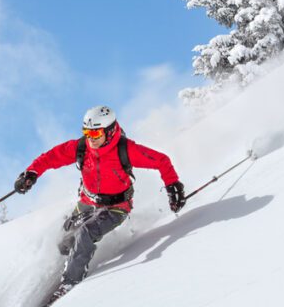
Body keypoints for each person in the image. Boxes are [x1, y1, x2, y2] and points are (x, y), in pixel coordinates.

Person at [13, 105, 185, 292]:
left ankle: (70, 282)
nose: (90, 139)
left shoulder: (126, 150)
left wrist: (172, 185)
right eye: (87, 132)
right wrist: (31, 173)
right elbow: (51, 157)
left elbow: (161, 160)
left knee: (86, 232)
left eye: (95, 134)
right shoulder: (81, 147)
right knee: (65, 238)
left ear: (110, 132)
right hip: (87, 201)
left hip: (116, 206)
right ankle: (61, 269)